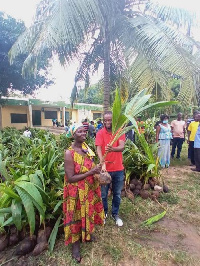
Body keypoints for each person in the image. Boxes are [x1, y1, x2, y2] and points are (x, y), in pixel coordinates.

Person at [63, 124, 104, 263]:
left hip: (88, 188)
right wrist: (90, 172)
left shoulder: (86, 148)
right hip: (75, 192)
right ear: (73, 135)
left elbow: (90, 164)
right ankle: (75, 246)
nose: (83, 133)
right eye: (79, 131)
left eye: (84, 131)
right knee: (76, 214)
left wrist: (97, 169)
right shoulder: (69, 153)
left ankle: (87, 234)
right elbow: (70, 178)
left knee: (88, 211)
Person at [95, 111, 125, 227]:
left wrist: (112, 148)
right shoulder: (100, 133)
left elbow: (122, 147)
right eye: (105, 120)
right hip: (105, 169)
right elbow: (98, 148)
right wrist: (102, 163)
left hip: (118, 168)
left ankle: (115, 214)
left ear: (114, 120)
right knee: (103, 194)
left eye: (110, 119)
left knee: (117, 193)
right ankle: (104, 213)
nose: (107, 122)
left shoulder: (119, 132)